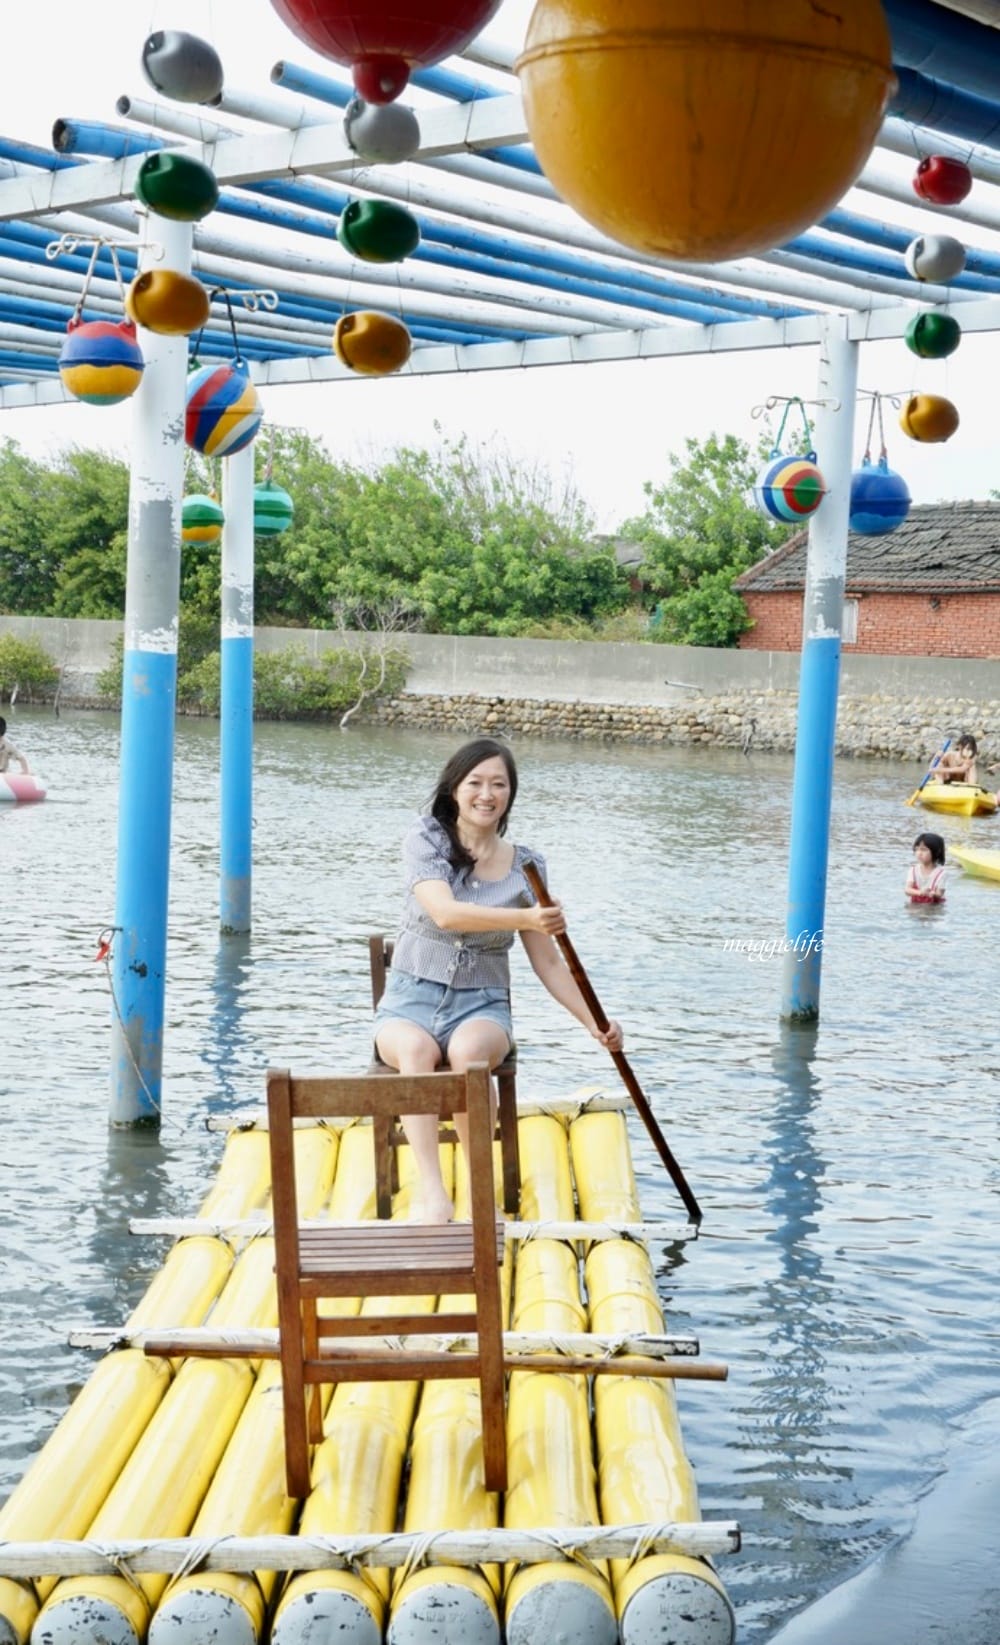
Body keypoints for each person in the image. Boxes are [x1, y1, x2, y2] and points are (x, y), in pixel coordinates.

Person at [373, 736, 624, 1224]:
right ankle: (433, 1192)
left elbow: (549, 964)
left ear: (510, 794)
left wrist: (596, 1022)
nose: (486, 794)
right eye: (475, 783)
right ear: (454, 789)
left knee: (468, 1056)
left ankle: (478, 1190)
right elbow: (445, 915)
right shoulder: (426, 838)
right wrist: (527, 920)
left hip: (481, 1004)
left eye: (499, 784)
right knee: (418, 1053)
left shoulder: (527, 866)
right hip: (409, 999)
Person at [905, 832, 946, 905]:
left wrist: (933, 894)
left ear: (936, 852)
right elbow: (907, 890)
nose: (919, 853)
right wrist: (920, 892)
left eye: (923, 850)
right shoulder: (913, 870)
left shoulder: (941, 873)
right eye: (917, 849)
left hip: (934, 907)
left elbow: (940, 893)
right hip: (916, 905)